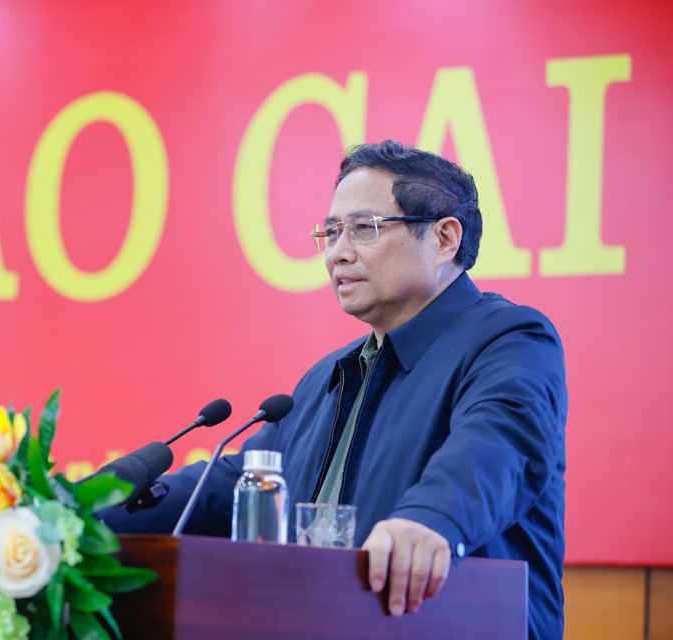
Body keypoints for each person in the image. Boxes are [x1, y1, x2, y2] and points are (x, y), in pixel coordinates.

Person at [100, 140, 567, 640]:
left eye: (363, 229)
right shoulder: (328, 377)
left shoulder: (509, 340)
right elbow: (234, 482)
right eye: (330, 231)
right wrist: (83, 517)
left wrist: (431, 520)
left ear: (445, 238)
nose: (337, 252)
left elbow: (496, 446)